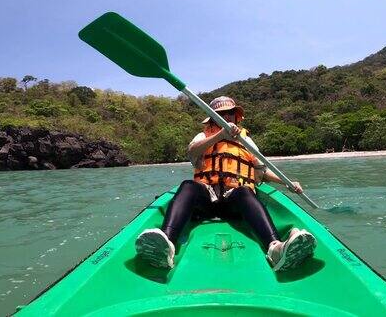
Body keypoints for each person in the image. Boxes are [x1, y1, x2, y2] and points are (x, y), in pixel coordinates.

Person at [135, 96, 316, 271]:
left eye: (230, 113)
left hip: (233, 201)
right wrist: (220, 135)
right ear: (213, 118)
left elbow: (261, 172)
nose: (227, 117)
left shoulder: (247, 141)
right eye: (221, 114)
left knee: (245, 191)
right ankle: (166, 244)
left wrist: (286, 183)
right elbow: (192, 152)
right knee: (188, 186)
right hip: (207, 201)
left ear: (236, 116)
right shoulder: (203, 136)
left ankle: (275, 248)